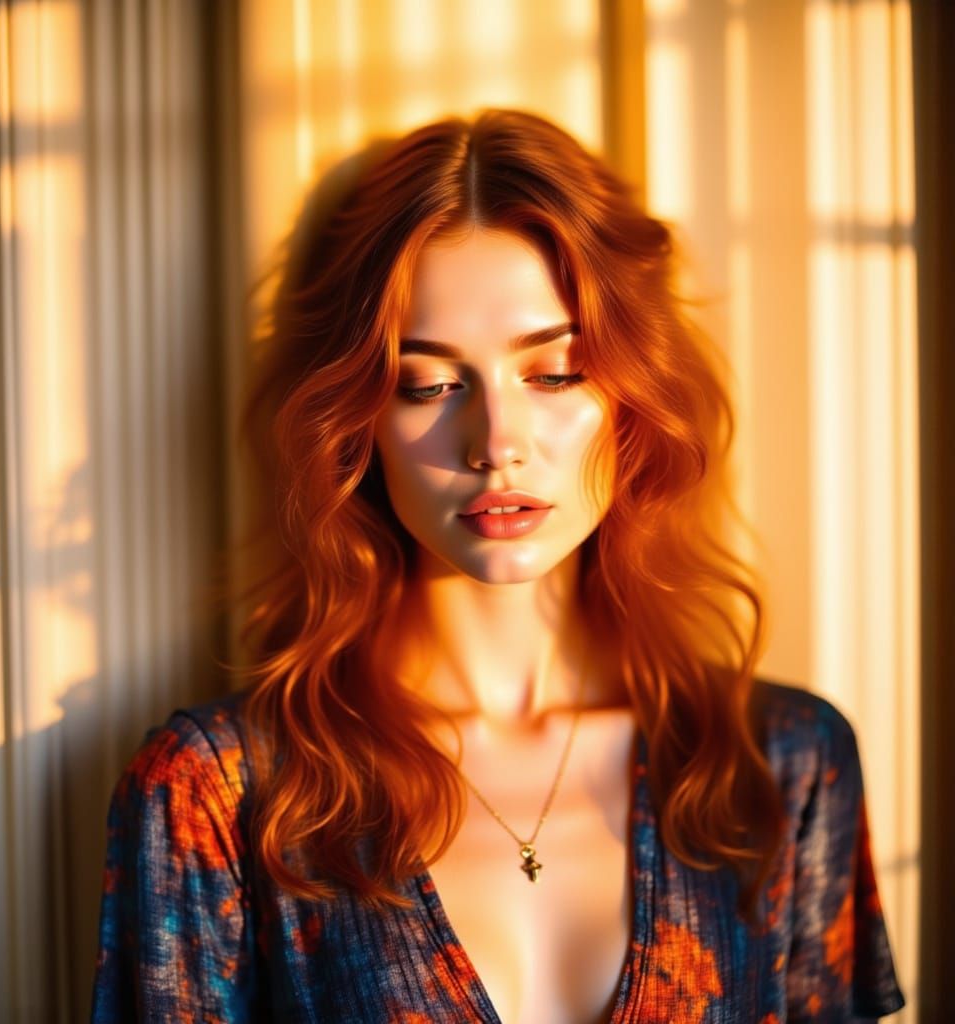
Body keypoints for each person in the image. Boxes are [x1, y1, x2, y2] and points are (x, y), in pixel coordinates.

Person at [90, 109, 905, 1023]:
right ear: (357, 419)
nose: (496, 444)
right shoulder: (225, 792)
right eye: (429, 384)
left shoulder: (780, 766)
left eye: (554, 373)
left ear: (631, 398)